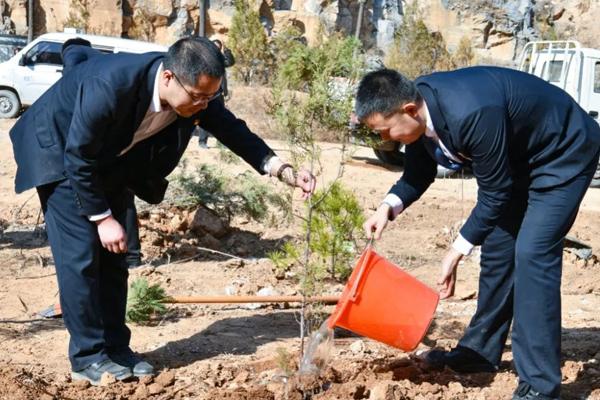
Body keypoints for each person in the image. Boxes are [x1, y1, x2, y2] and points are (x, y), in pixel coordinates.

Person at [10, 36, 315, 386]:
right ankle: (88, 356)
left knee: (115, 259)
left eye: (210, 97)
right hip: (61, 154)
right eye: (197, 97)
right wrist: (102, 218)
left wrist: (281, 169)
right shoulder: (111, 86)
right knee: (81, 257)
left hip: (111, 160)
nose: (203, 105)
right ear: (168, 78)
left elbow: (232, 130)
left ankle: (116, 349)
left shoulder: (196, 92)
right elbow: (78, 157)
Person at [356, 67, 600, 400]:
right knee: (500, 247)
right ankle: (479, 353)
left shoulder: (470, 112)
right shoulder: (419, 111)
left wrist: (457, 249)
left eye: (385, 131)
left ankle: (540, 386)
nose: (386, 140)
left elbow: (495, 192)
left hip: (561, 152)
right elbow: (418, 171)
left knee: (532, 254)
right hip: (519, 161)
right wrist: (388, 206)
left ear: (409, 110)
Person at [197, 38, 235, 148]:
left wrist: (227, 51)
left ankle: (221, 143)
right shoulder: (205, 58)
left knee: (221, 118)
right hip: (207, 94)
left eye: (219, 47)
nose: (216, 49)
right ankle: (202, 142)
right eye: (215, 46)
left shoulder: (221, 59)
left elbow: (230, 62)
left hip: (219, 93)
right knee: (204, 117)